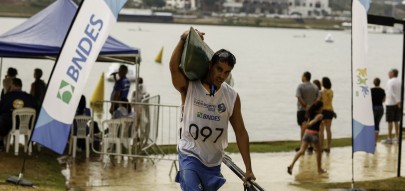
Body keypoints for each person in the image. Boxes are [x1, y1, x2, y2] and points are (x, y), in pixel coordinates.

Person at [170, 29, 255, 190]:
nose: (222, 75)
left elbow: (241, 132)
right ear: (210, 66)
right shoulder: (190, 87)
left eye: (227, 72)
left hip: (213, 163)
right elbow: (174, 68)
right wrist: (182, 40)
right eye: (219, 69)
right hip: (189, 155)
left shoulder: (231, 96)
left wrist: (248, 169)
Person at [288, 100, 326, 175]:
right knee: (319, 151)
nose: (322, 108)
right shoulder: (320, 115)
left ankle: (291, 165)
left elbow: (312, 121)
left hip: (307, 134)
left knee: (301, 151)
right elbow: (314, 121)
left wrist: (308, 125)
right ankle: (319, 169)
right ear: (320, 108)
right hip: (314, 135)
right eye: (322, 107)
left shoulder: (310, 113)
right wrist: (309, 124)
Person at [0, 78, 38, 151]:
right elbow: (36, 109)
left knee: (2, 119)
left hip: (10, 124)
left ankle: (1, 143)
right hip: (27, 125)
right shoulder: (29, 97)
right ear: (21, 86)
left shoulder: (7, 97)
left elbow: (1, 109)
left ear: (12, 85)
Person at [296, 71, 319, 152]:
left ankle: (302, 146)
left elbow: (299, 97)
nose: (301, 77)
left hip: (302, 110)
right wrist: (312, 106)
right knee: (309, 127)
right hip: (311, 111)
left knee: (302, 127)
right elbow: (317, 98)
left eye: (302, 76)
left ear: (305, 77)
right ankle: (310, 146)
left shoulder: (300, 86)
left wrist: (306, 106)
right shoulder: (315, 87)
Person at [384, 69, 401, 144]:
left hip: (391, 103)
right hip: (399, 103)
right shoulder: (400, 81)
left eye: (389, 72)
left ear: (393, 73)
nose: (388, 74)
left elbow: (391, 92)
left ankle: (389, 137)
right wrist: (399, 101)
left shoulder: (390, 81)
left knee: (390, 121)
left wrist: (396, 100)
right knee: (396, 121)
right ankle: (396, 136)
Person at [320, 77, 334, 153]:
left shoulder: (322, 92)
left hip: (323, 110)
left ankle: (321, 146)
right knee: (328, 129)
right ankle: (328, 146)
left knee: (321, 130)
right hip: (330, 110)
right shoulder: (331, 91)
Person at [371, 77, 386, 145]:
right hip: (380, 108)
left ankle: (370, 140)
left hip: (373, 108)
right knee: (377, 124)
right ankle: (375, 141)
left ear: (374, 83)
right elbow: (384, 100)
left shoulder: (371, 90)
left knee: (372, 124)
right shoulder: (382, 90)